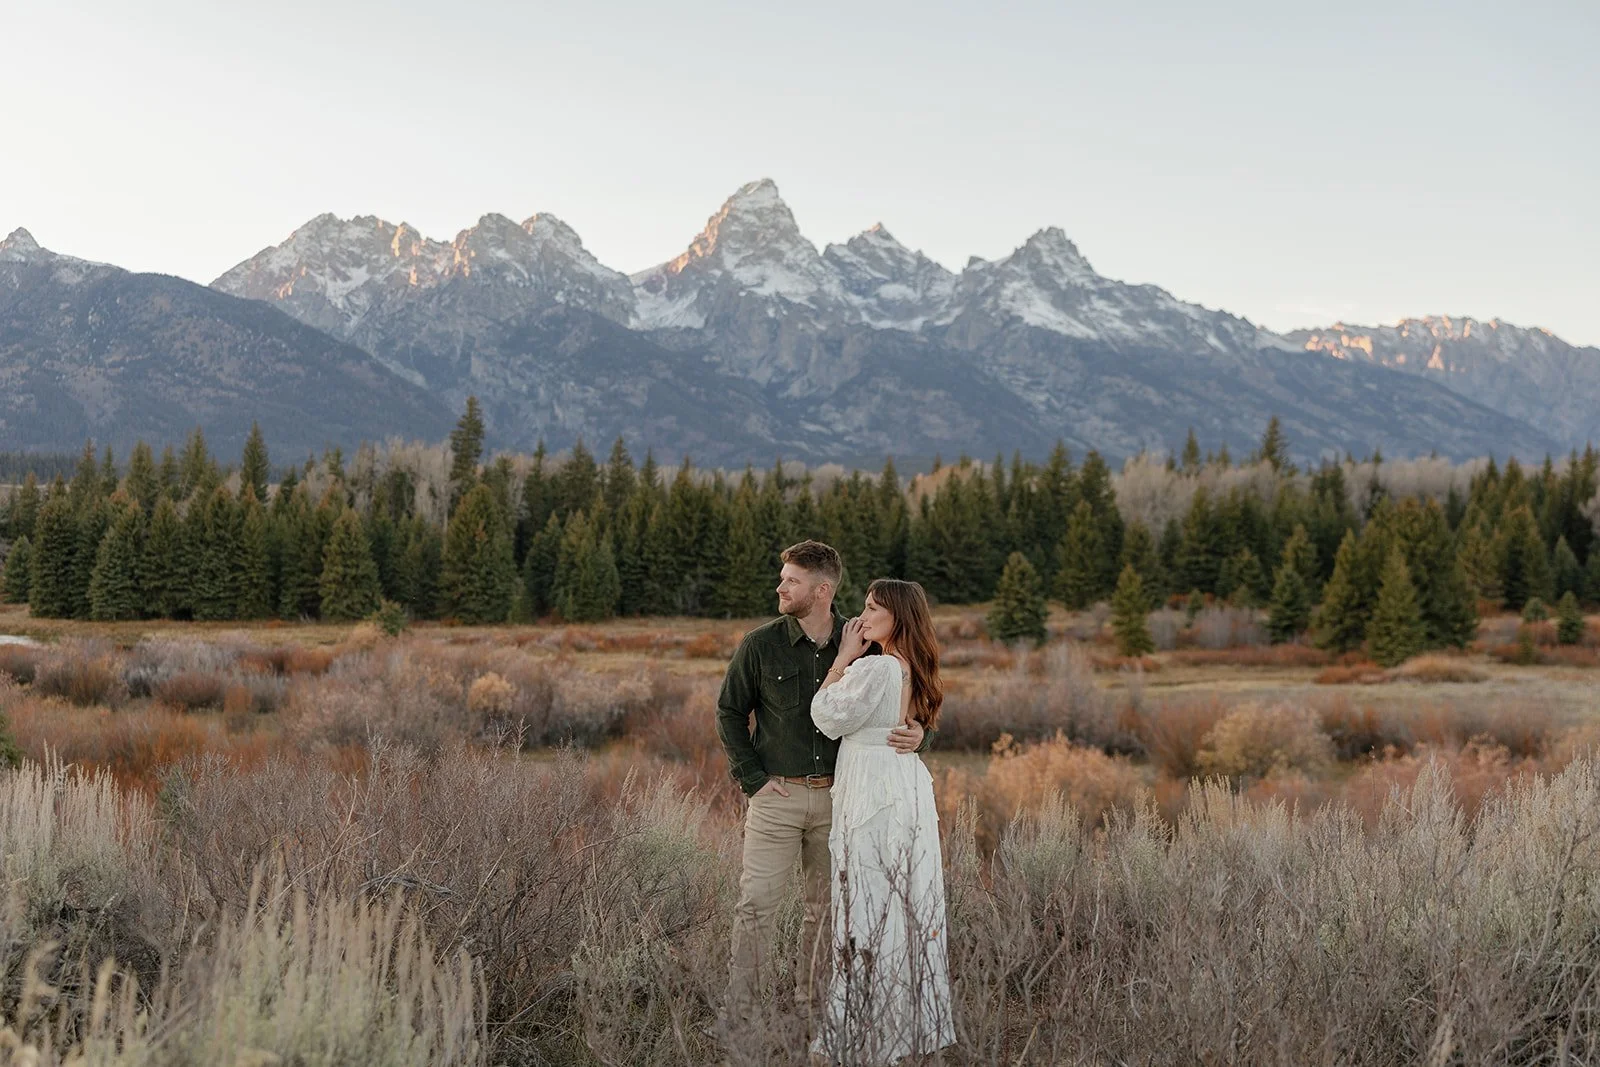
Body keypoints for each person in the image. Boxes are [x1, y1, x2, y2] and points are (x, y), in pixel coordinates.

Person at [716, 541, 932, 1032]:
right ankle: (742, 1017)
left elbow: (909, 698)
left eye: (790, 580)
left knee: (828, 912)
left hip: (843, 801)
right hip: (778, 798)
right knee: (756, 906)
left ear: (822, 590)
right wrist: (753, 780)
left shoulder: (867, 644)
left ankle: (814, 1012)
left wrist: (922, 733)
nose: (780, 586)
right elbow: (729, 712)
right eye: (782, 577)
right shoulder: (760, 644)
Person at [809, 578, 955, 1064]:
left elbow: (825, 716)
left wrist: (842, 658)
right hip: (904, 785)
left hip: (875, 789)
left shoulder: (874, 667)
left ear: (898, 617)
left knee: (868, 903)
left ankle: (865, 1031)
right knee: (903, 900)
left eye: (874, 610)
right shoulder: (913, 665)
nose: (863, 618)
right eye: (864, 609)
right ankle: (905, 1023)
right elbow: (914, 723)